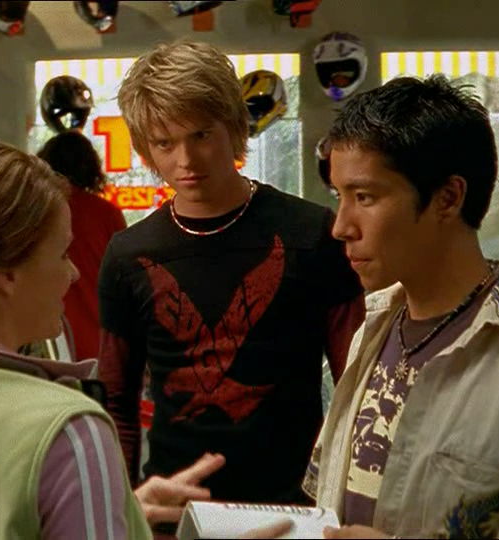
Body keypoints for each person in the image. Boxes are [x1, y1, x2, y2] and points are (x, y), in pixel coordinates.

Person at [301, 75, 499, 539]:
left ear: (448, 198)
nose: (341, 226)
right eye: (340, 197)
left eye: (365, 197)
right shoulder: (372, 331)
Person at [97, 38, 365, 518]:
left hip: (296, 506)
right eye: (164, 143)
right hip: (175, 509)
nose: (185, 159)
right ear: (145, 148)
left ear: (234, 127)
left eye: (201, 134)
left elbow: (356, 384)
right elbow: (116, 400)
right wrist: (120, 511)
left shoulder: (312, 234)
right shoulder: (128, 254)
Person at [0, 136, 226, 539]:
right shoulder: (67, 433)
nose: (73, 274)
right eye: (62, 254)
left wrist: (118, 512)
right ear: (7, 275)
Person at [36, 130, 127, 361]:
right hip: (101, 337)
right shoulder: (107, 214)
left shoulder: (38, 212)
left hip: (50, 337)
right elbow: (126, 281)